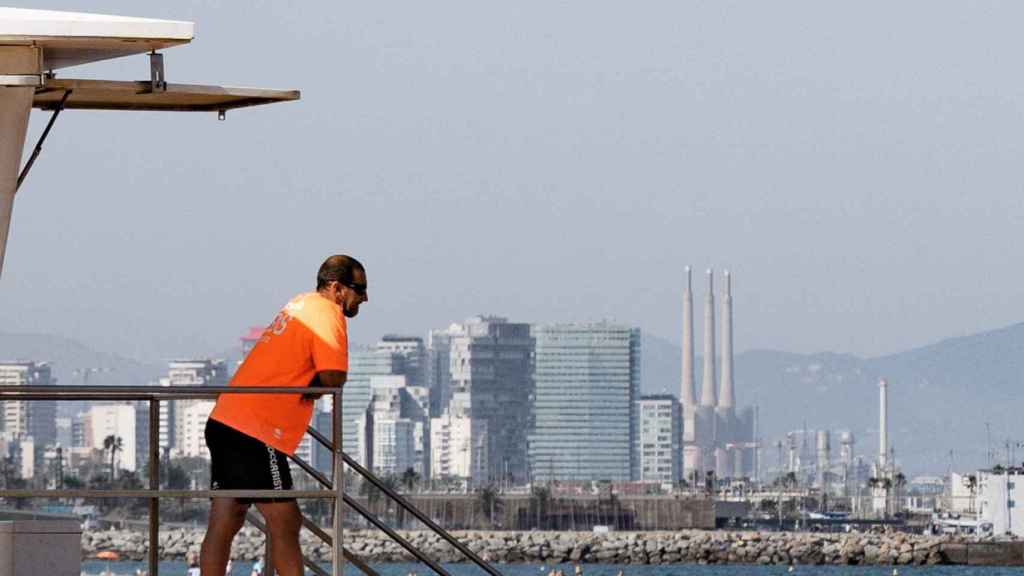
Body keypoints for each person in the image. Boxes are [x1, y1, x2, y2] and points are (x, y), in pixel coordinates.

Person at [199, 255, 369, 576]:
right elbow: (334, 376)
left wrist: (304, 387)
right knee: (286, 520)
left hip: (225, 419)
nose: (364, 298)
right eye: (358, 289)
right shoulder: (327, 312)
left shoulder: (299, 303)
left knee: (227, 517)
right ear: (335, 288)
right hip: (256, 430)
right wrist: (311, 389)